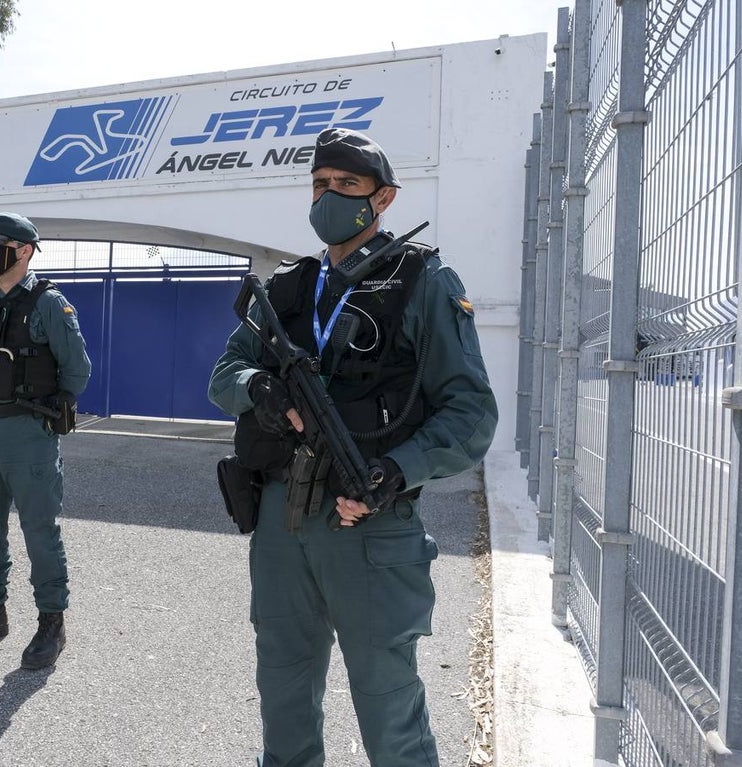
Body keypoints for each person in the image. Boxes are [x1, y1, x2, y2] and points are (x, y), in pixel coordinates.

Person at [208, 127, 498, 766]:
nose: (329, 196)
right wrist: (258, 387)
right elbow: (222, 375)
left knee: (388, 709)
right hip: (283, 522)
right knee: (283, 696)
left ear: (383, 198)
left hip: (368, 524)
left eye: (346, 186)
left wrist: (396, 472)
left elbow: (472, 413)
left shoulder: (423, 281)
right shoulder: (286, 287)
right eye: (319, 184)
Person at [0, 212, 91, 670]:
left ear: (24, 250)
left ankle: (51, 620)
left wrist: (49, 412)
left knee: (39, 531)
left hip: (28, 434)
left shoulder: (49, 303)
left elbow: (77, 371)